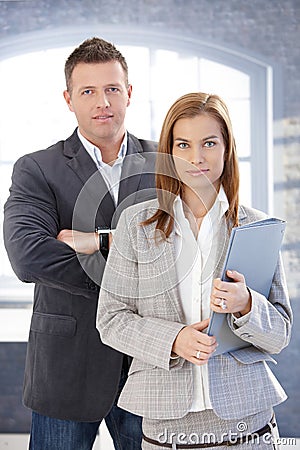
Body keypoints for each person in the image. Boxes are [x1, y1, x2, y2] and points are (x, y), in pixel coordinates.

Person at [97, 92, 293, 450]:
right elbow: (111, 319)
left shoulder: (257, 226)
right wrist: (175, 339)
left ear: (226, 148)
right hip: (166, 430)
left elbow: (280, 333)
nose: (196, 157)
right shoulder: (135, 224)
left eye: (209, 143)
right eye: (183, 144)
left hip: (250, 429)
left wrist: (248, 303)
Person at [3, 37, 157, 450]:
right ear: (69, 99)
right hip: (66, 367)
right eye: (88, 91)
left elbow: (184, 250)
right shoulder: (38, 168)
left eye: (111, 89)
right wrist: (138, 265)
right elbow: (28, 255)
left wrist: (98, 241)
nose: (102, 102)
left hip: (151, 364)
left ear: (129, 93)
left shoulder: (166, 163)